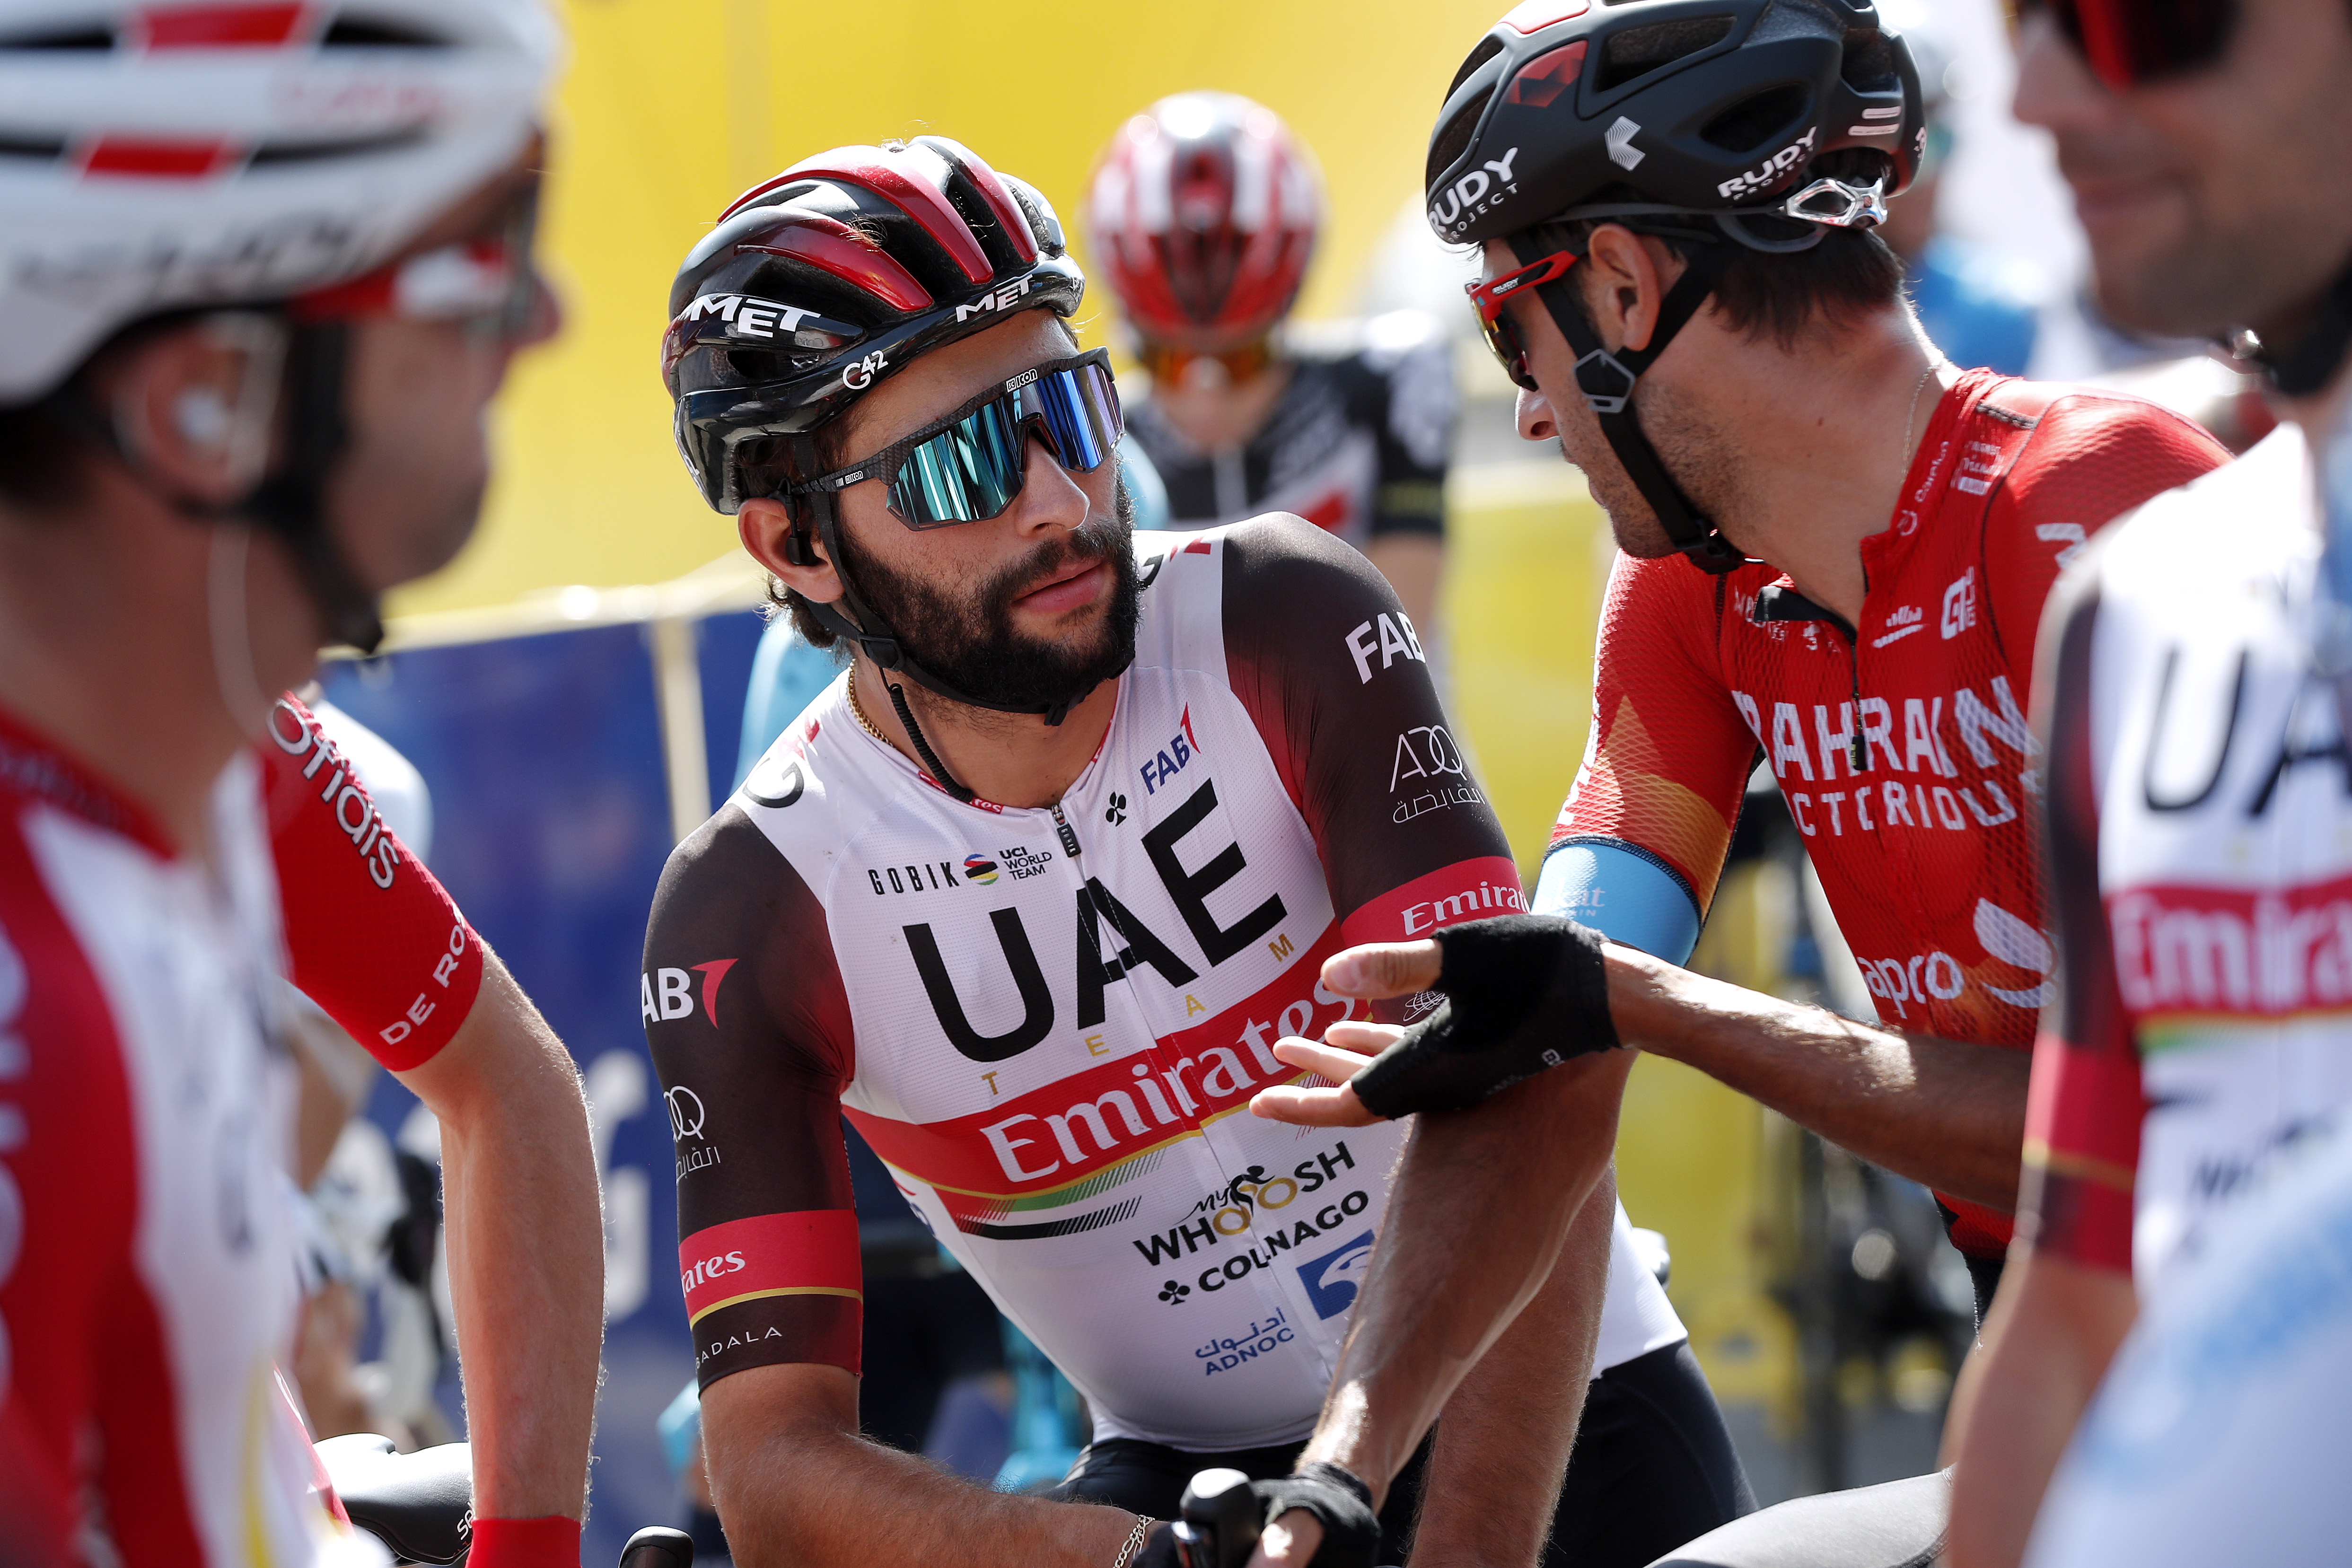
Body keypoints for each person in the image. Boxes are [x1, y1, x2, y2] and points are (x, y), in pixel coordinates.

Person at [641, 133, 1734, 1568]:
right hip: (1186, 1491)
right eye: (964, 461)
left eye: (1068, 410)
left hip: (1548, 1385)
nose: (1058, 498)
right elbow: (768, 1460)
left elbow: (1524, 1100)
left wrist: (1392, 1517)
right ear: (796, 545)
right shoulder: (752, 905)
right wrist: (1124, 1558)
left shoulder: (1283, 620)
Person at [1236, 0, 2231, 1561]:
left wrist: (1655, 1006)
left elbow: (2167, 1135)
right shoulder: (1689, 596)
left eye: (1511, 329)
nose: (1527, 407)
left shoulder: (2096, 510)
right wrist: (1335, 1483)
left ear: (1623, 287)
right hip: (2054, 1361)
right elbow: (1552, 1023)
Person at [0, 4, 606, 1563]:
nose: (544, 317)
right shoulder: (32, 997)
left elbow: (509, 1084)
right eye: (480, 266)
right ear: (209, 400)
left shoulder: (205, 737)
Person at [1939, 0, 2352, 1563]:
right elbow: (2075, 1290)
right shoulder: (2134, 604)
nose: (2038, 94)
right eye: (2026, 19)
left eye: (2143, 16)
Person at [1088, 92, 1453, 636]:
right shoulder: (1094, 448)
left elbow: (1400, 635)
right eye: (1170, 361)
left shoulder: (1393, 381)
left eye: (1241, 359)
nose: (1207, 395)